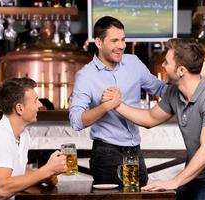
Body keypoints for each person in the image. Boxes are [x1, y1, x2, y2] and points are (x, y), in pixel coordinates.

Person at [103, 38, 205, 200]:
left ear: (181, 70)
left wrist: (174, 182)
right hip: (195, 179)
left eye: (167, 62)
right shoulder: (174, 93)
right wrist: (117, 105)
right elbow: (149, 118)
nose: (162, 66)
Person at [69, 16, 167, 186]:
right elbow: (76, 121)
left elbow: (160, 88)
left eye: (123, 39)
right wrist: (107, 106)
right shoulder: (85, 76)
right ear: (99, 43)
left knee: (143, 198)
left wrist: (189, 85)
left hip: (135, 150)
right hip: (106, 153)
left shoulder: (133, 63)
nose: (121, 46)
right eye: (114, 40)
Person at [0, 77, 66, 200]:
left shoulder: (23, 135)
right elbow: (2, 189)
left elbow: (19, 171)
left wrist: (43, 176)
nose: (40, 105)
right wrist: (47, 170)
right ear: (20, 108)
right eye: (35, 101)